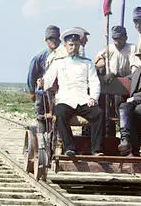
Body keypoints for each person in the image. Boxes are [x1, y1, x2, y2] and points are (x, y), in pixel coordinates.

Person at [42, 29, 104, 157]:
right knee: (60, 114)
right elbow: (48, 79)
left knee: (98, 114)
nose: (73, 47)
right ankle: (70, 148)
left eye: (76, 45)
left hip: (82, 99)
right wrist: (42, 82)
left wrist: (93, 97)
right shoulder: (59, 62)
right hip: (65, 99)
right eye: (71, 45)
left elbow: (94, 81)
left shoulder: (87, 63)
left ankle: (96, 150)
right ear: (65, 46)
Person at [27, 25, 61, 131]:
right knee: (42, 119)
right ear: (46, 41)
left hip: (57, 94)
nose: (53, 41)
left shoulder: (63, 56)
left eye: (55, 38)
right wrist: (32, 92)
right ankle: (42, 143)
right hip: (42, 94)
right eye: (51, 39)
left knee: (57, 120)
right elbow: (31, 76)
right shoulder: (39, 57)